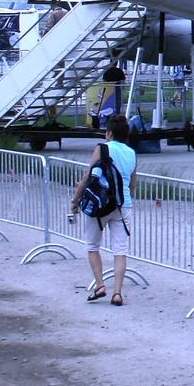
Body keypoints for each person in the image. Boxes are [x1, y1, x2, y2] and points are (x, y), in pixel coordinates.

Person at [74, 115, 137, 306]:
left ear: (109, 133)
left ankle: (100, 285)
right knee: (120, 250)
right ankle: (117, 293)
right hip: (123, 204)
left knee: (92, 246)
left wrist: (75, 200)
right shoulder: (132, 153)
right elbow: (133, 182)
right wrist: (128, 200)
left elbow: (88, 176)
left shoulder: (102, 148)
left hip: (101, 204)